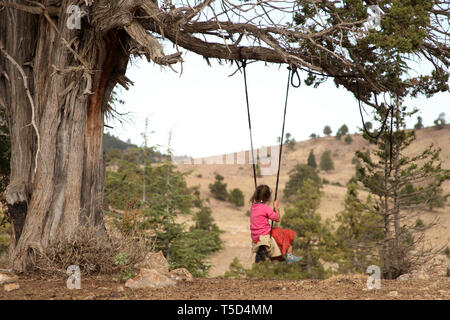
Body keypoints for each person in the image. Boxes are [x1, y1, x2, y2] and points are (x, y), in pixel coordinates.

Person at [249, 184, 301, 264]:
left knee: (279, 232)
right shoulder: (265, 208)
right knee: (289, 233)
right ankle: (289, 256)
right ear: (268, 197)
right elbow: (277, 218)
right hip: (265, 234)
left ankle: (280, 255)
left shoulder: (253, 207)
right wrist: (276, 207)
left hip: (255, 236)